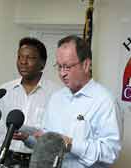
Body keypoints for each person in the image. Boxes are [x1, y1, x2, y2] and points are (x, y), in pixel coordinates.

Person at [29, 35, 123, 168]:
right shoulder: (56, 97)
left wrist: (71, 144)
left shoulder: (105, 101)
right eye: (59, 66)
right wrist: (28, 138)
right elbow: (48, 140)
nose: (62, 73)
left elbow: (110, 153)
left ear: (86, 65)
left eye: (67, 67)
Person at [0, 37, 59, 167]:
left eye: (30, 58)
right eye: (20, 57)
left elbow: (55, 137)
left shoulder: (56, 94)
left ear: (43, 63)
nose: (23, 62)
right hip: (5, 159)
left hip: (37, 161)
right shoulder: (4, 91)